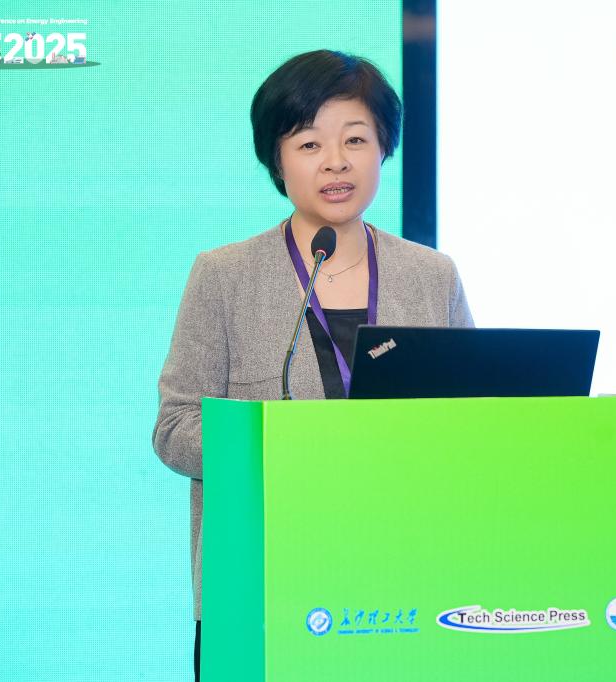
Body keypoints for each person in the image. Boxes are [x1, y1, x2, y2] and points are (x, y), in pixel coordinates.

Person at [152, 49, 473, 680]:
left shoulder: (432, 276)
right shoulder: (225, 276)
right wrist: (282, 441)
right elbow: (174, 430)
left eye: (355, 139)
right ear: (277, 159)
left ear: (383, 148)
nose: (335, 162)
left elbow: (472, 418)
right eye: (308, 143)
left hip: (405, 585)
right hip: (264, 582)